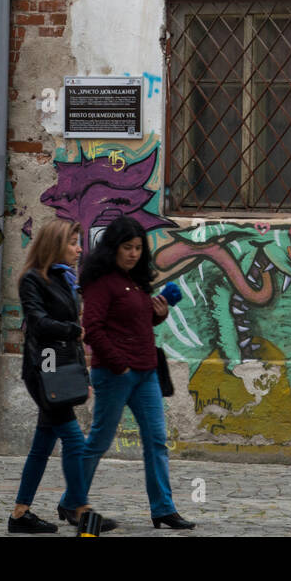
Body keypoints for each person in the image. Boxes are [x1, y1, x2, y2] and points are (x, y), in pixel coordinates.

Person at [75, 216, 195, 530]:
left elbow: (137, 325)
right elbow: (93, 329)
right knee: (99, 441)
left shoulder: (137, 281)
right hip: (116, 374)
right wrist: (119, 364)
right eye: (127, 247)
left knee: (156, 440)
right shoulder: (102, 283)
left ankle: (163, 509)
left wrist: (159, 314)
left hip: (146, 372)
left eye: (138, 248)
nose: (133, 253)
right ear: (113, 248)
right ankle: (72, 501)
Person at [9, 218, 113, 533]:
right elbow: (38, 323)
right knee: (73, 440)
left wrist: (82, 373)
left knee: (42, 445)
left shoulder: (64, 280)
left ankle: (19, 515)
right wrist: (74, 330)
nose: (79, 249)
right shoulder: (32, 279)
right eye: (72, 243)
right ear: (54, 245)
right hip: (43, 369)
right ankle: (81, 509)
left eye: (79, 242)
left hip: (61, 367)